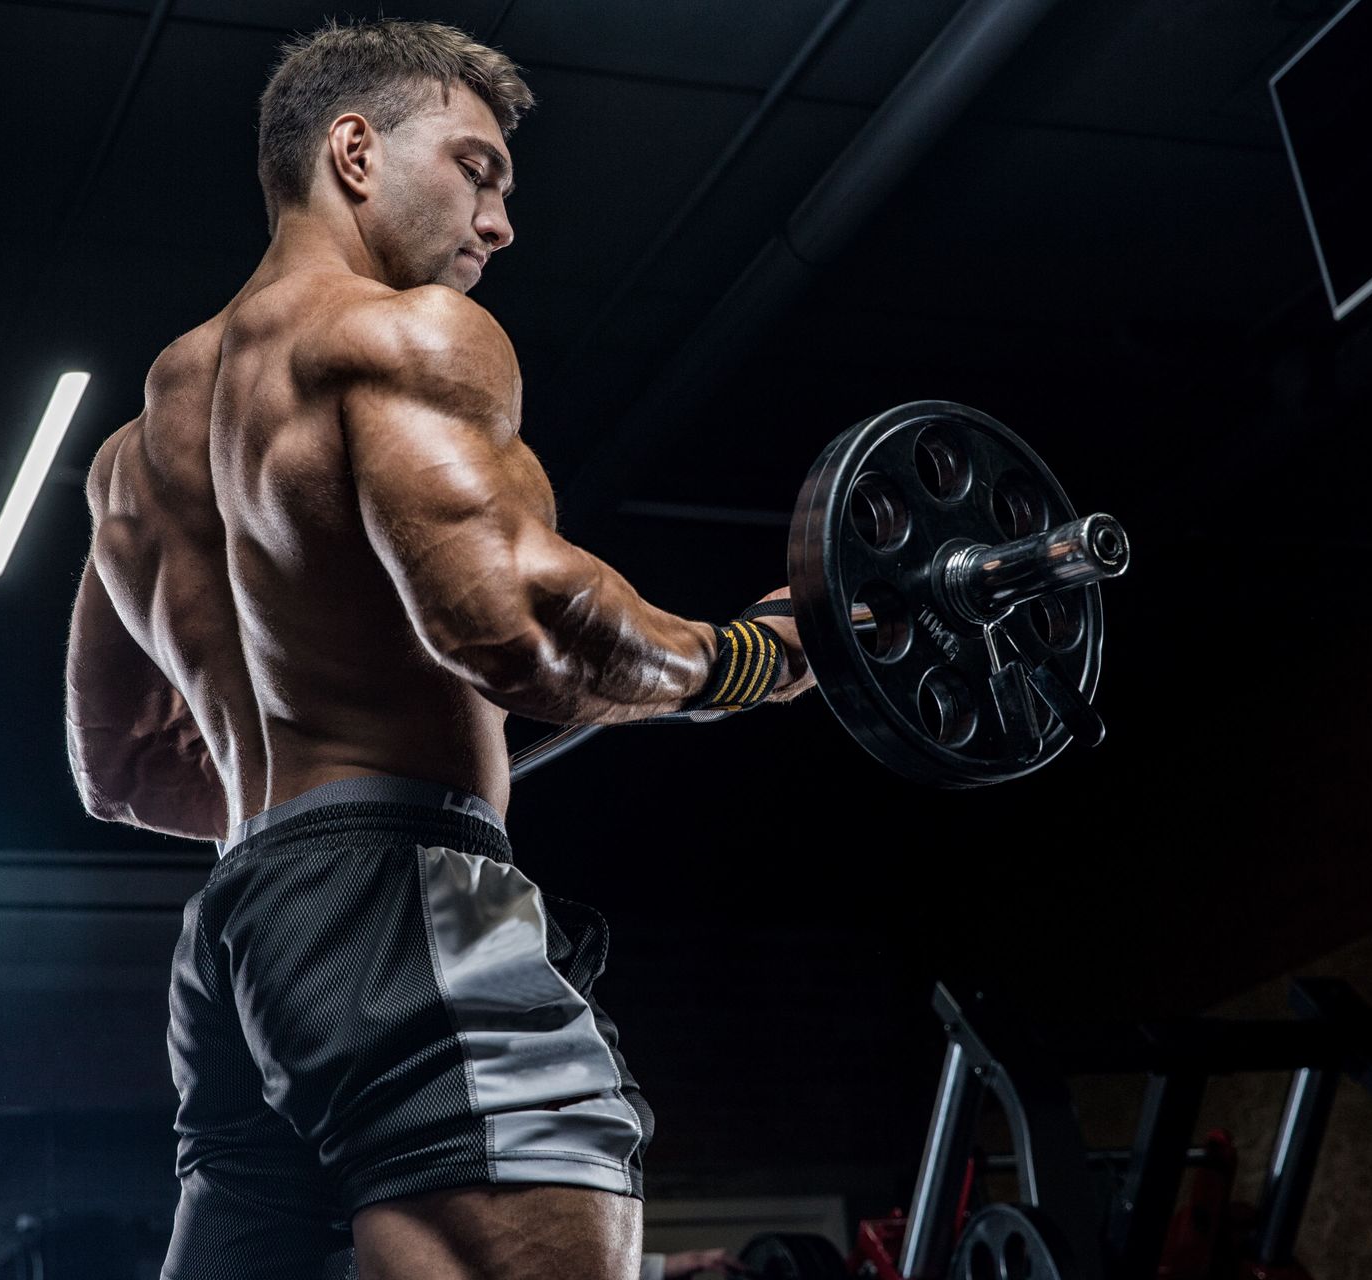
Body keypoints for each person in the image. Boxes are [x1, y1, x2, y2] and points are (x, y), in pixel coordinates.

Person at [62, 18, 813, 1280]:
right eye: (478, 168)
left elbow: (122, 768)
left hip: (240, 934)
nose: (501, 219)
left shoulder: (131, 456)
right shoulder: (400, 334)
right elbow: (517, 629)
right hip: (398, 898)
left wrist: (311, 822)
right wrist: (757, 656)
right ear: (354, 151)